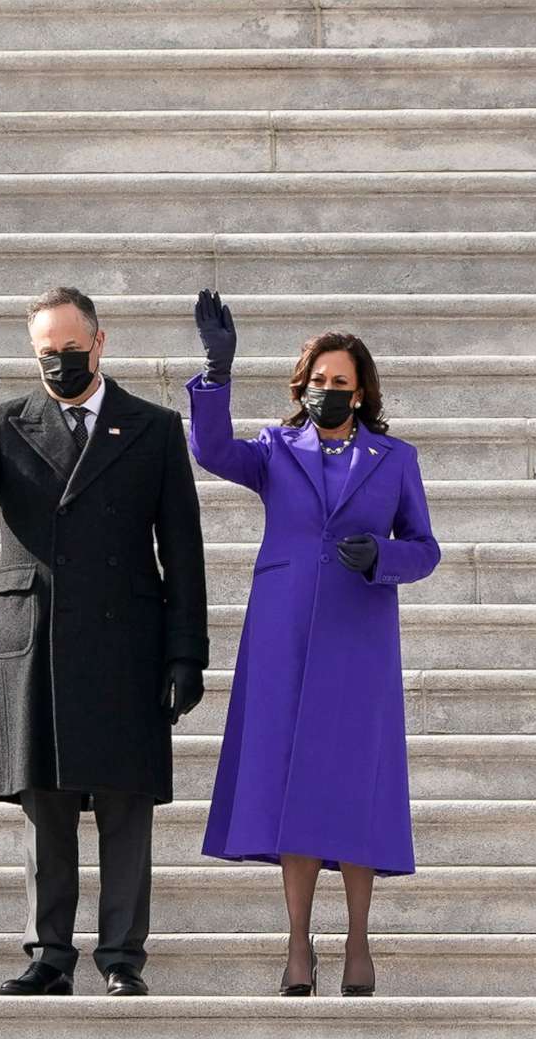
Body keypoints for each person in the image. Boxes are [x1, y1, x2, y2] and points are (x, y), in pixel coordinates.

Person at [0, 287, 207, 998]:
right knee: (45, 808)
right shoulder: (4, 421)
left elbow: (183, 548)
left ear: (101, 342)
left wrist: (186, 653)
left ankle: (120, 957)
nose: (59, 362)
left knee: (124, 803)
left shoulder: (152, 427)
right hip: (39, 639)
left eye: (71, 349)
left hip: (125, 642)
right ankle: (50, 954)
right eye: (46, 353)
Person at [182, 293, 439, 998]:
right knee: (294, 786)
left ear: (362, 392)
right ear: (301, 386)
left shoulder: (393, 459)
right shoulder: (274, 450)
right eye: (317, 381)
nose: (327, 392)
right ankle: (298, 944)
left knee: (352, 786)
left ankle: (358, 938)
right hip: (284, 633)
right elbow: (210, 450)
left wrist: (381, 558)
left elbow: (427, 548)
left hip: (359, 636)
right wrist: (216, 372)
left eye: (340, 383)